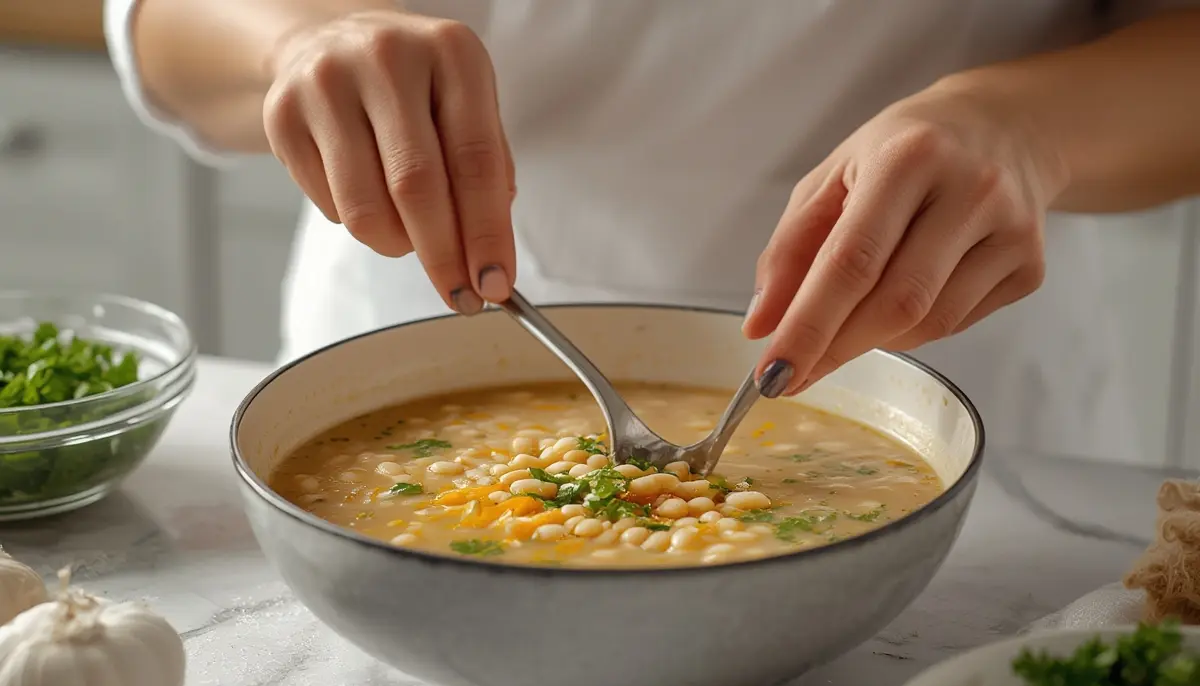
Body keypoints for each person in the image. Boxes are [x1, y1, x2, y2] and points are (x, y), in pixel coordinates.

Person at [105, 1, 1200, 463]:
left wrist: (1026, 128)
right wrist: (297, 37)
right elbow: (158, 27)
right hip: (400, 339)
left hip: (960, 376)